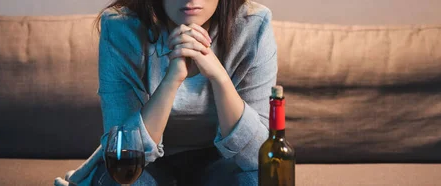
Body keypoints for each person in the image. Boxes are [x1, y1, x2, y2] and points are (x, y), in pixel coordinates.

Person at [55, 0, 277, 185]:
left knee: (263, 178)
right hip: (149, 169)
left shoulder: (254, 26)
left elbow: (261, 155)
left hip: (221, 165)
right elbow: (123, 149)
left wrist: (219, 79)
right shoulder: (121, 27)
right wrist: (172, 79)